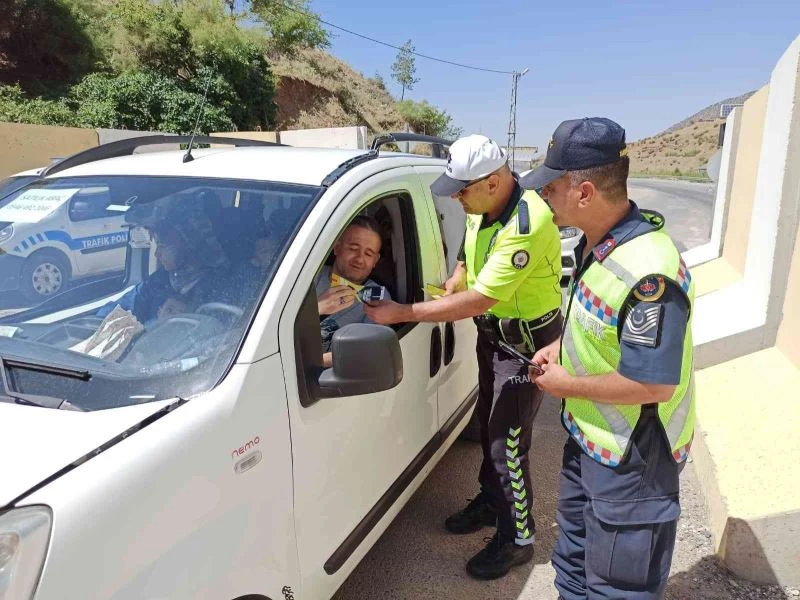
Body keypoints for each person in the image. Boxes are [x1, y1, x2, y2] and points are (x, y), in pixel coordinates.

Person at [365, 134, 563, 580]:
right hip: (494, 338)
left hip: (525, 347)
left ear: (493, 182)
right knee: (490, 426)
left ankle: (517, 539)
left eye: (461, 190)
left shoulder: (527, 223)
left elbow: (482, 299)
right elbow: (469, 252)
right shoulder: (483, 206)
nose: (456, 199)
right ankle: (492, 503)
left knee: (506, 443)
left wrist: (404, 312)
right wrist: (457, 273)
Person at [520, 117, 695, 600]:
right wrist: (561, 347)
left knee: (617, 587)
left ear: (584, 192)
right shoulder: (597, 242)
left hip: (634, 457)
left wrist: (565, 385)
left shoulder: (649, 273)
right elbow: (600, 325)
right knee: (573, 563)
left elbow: (651, 384)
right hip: (592, 440)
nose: (543, 197)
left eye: (550, 188)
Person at [97, 202, 229, 325]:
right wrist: (98, 323)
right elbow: (123, 306)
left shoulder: (222, 286)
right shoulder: (160, 280)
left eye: (163, 246)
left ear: (189, 245)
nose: (157, 254)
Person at [316, 215, 390, 368]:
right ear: (337, 247)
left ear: (375, 260)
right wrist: (317, 308)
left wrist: (311, 362)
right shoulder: (311, 276)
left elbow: (367, 350)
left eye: (368, 254)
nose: (359, 259)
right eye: (353, 249)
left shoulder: (377, 295)